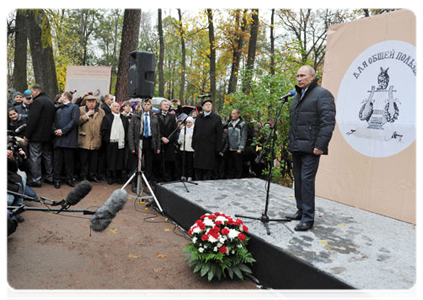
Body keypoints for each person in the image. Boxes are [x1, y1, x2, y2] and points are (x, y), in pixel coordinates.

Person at [286, 65, 336, 231]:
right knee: (298, 180)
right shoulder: (297, 96)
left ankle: (308, 218)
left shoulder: (323, 95)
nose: (299, 79)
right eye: (297, 76)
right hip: (297, 147)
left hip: (312, 148)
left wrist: (320, 145)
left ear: (313, 77)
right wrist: (291, 144)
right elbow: (294, 124)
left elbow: (327, 122)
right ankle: (300, 211)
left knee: (307, 181)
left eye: (302, 75)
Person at [24, 84, 56, 187]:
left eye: (32, 92)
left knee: (35, 157)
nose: (31, 94)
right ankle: (50, 177)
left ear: (36, 92)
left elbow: (33, 120)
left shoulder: (37, 101)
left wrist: (27, 135)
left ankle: (36, 179)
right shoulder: (50, 101)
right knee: (48, 156)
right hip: (48, 135)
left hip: (37, 135)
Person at [127, 99, 160, 190]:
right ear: (141, 105)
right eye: (144, 104)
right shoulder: (136, 116)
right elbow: (130, 132)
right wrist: (132, 147)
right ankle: (134, 183)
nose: (146, 106)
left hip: (149, 141)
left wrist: (158, 146)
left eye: (148, 104)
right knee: (136, 163)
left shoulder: (154, 117)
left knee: (149, 163)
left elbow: (157, 133)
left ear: (151, 106)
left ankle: (147, 181)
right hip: (139, 141)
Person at [52, 92, 80, 189]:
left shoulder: (74, 107)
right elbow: (52, 120)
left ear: (65, 97)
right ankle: (57, 180)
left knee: (69, 161)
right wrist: (55, 130)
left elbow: (74, 121)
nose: (59, 97)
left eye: (61, 95)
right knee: (57, 161)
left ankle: (69, 179)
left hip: (69, 138)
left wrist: (63, 131)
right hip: (58, 138)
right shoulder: (57, 108)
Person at [192, 99, 222, 180]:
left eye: (210, 104)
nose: (208, 106)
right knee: (198, 170)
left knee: (208, 170)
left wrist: (218, 148)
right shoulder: (199, 117)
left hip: (210, 148)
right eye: (206, 104)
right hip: (199, 148)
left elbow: (219, 134)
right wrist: (194, 144)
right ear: (202, 107)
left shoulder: (216, 118)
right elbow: (195, 131)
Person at [78, 95, 105, 182]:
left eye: (93, 101)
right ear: (86, 102)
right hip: (84, 139)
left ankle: (92, 175)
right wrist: (86, 115)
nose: (91, 103)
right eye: (89, 101)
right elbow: (77, 121)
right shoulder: (80, 110)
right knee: (84, 160)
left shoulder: (101, 112)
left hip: (96, 139)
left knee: (94, 160)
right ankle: (83, 176)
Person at [100, 102, 129, 184]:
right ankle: (111, 177)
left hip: (121, 142)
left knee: (120, 160)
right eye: (115, 106)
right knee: (110, 160)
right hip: (111, 143)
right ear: (111, 108)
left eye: (118, 106)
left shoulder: (124, 118)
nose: (117, 108)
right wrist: (107, 140)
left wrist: (125, 140)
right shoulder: (107, 118)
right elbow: (103, 131)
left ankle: (119, 177)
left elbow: (127, 130)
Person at [156, 100, 178, 182]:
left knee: (168, 162)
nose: (166, 106)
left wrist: (169, 139)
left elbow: (175, 130)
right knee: (158, 162)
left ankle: (167, 178)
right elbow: (155, 129)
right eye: (164, 104)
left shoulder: (172, 116)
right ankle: (158, 178)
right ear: (161, 106)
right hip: (159, 142)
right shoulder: (156, 116)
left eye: (167, 105)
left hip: (169, 142)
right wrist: (162, 137)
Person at [227, 109, 247, 179]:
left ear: (238, 115)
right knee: (230, 166)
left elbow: (243, 137)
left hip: (237, 149)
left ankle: (238, 179)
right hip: (230, 148)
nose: (233, 115)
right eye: (232, 113)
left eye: (234, 114)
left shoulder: (242, 124)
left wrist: (240, 148)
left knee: (238, 166)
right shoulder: (229, 123)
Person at [178, 116, 195, 181]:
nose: (188, 124)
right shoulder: (183, 129)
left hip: (191, 149)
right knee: (183, 163)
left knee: (190, 163)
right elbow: (179, 139)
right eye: (187, 122)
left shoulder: (194, 129)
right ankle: (183, 175)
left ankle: (190, 176)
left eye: (189, 122)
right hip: (183, 148)